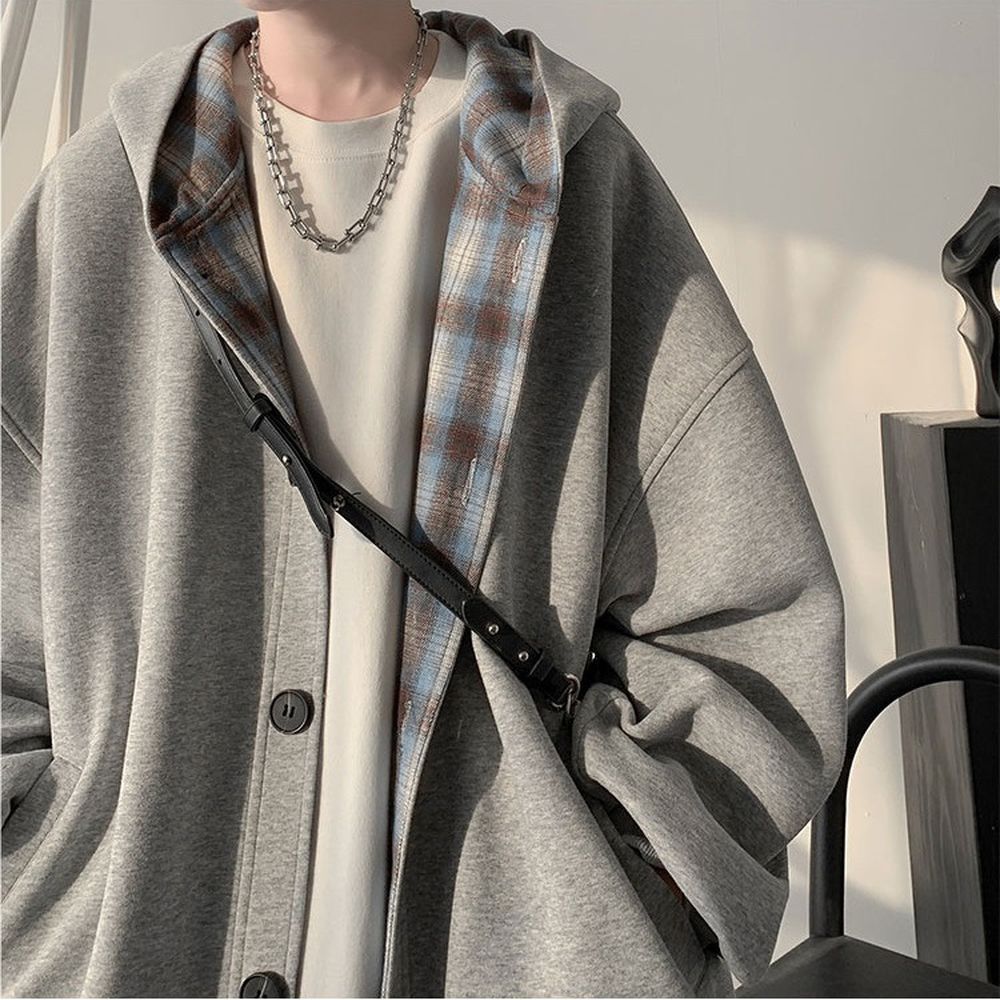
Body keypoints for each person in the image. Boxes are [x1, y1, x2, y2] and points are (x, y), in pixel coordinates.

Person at [0, 2, 848, 997]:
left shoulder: (574, 187)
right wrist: (46, 884)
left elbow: (749, 624)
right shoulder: (102, 203)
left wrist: (618, 893)